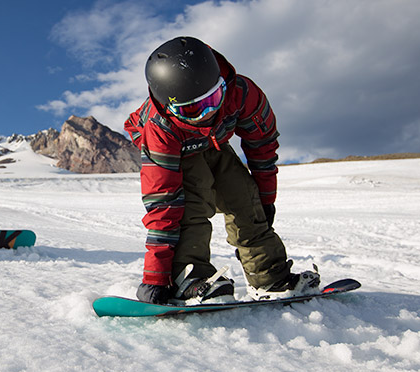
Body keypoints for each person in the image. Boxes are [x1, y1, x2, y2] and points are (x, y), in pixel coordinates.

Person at [124, 37, 319, 304]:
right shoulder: (160, 129)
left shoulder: (242, 93)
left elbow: (262, 149)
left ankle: (269, 277)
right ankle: (189, 278)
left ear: (221, 84)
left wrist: (265, 201)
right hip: (178, 151)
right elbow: (163, 203)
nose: (208, 112)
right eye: (193, 109)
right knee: (192, 203)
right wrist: (156, 277)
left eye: (214, 98)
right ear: (171, 109)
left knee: (245, 199)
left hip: (213, 144)